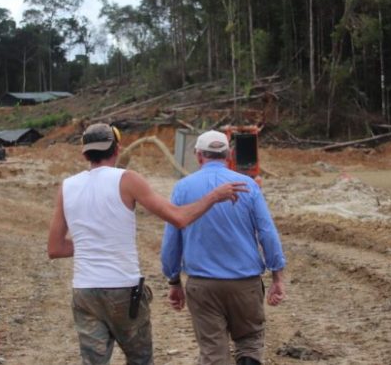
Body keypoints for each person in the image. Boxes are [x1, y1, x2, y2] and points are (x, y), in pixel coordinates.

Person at [48, 123, 247, 365]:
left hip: (84, 291)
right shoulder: (127, 180)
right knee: (140, 360)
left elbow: (55, 248)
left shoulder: (67, 187)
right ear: (117, 148)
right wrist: (215, 196)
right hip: (123, 289)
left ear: (84, 152)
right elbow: (180, 218)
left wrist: (93, 243)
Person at [161, 130, 286, 365]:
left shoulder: (182, 188)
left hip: (203, 286)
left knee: (213, 352)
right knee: (249, 341)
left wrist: (174, 280)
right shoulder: (248, 185)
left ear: (199, 156)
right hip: (245, 284)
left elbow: (171, 240)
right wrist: (277, 276)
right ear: (230, 155)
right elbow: (267, 233)